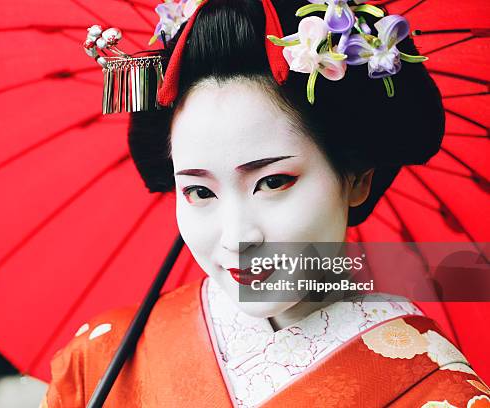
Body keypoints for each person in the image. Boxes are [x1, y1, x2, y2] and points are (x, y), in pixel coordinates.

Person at [41, 0, 489, 406]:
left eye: (273, 182)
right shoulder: (103, 362)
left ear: (356, 178)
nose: (237, 238)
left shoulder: (438, 394)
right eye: (199, 191)